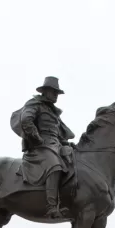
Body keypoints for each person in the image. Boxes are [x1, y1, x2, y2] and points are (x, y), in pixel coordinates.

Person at [10, 76, 75, 219]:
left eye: (57, 93)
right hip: (39, 146)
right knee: (55, 165)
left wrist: (67, 144)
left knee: (75, 160)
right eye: (54, 92)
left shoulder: (53, 112)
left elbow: (59, 134)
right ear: (45, 91)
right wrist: (37, 139)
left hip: (55, 145)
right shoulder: (35, 104)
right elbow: (26, 120)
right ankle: (51, 206)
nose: (56, 95)